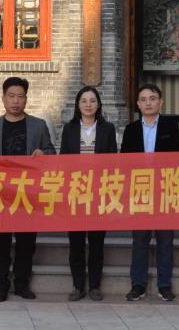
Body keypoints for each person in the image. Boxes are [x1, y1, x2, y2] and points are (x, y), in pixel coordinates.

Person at [0, 76, 56, 302]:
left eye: (20, 96)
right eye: (11, 96)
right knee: (0, 244)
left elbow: (52, 152)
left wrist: (44, 153)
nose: (15, 101)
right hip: (0, 194)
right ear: (3, 98)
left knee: (26, 243)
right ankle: (1, 285)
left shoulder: (38, 125)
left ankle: (22, 284)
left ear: (26, 99)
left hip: (27, 194)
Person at [120, 83, 179, 302]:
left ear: (160, 102)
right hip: (140, 191)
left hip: (165, 190)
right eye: (143, 99)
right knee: (140, 240)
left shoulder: (170, 127)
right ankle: (137, 284)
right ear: (138, 104)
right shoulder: (131, 130)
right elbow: (124, 162)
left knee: (165, 240)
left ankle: (164, 285)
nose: (148, 103)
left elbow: (178, 158)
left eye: (152, 98)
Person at [59, 86, 118, 301]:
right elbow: (63, 159)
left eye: (92, 100)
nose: (88, 104)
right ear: (78, 104)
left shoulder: (107, 128)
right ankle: (78, 286)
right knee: (76, 242)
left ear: (98, 104)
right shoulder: (69, 129)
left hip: (99, 192)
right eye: (84, 101)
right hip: (75, 192)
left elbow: (113, 159)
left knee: (96, 242)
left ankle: (94, 286)